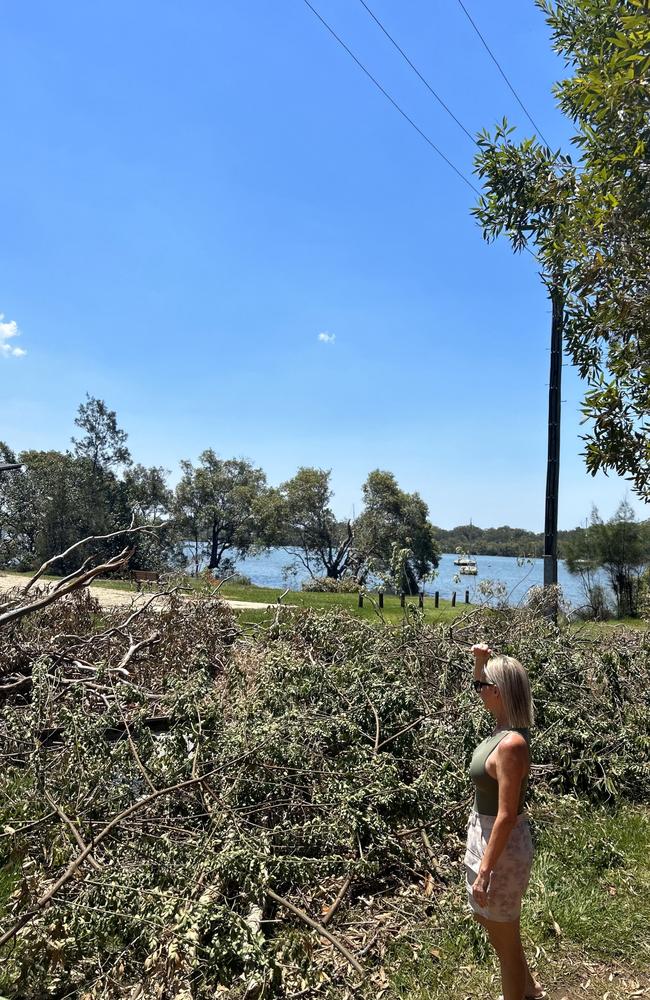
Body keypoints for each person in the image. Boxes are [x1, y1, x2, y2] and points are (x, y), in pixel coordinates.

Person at [465, 643, 544, 1000]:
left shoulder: (511, 745)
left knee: (505, 940)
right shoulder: (501, 728)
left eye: (483, 686)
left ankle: (521, 990)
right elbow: (481, 682)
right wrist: (481, 663)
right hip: (485, 836)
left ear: (496, 692)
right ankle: (528, 987)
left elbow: (507, 815)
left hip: (502, 847)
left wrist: (485, 870)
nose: (477, 689)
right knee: (493, 924)